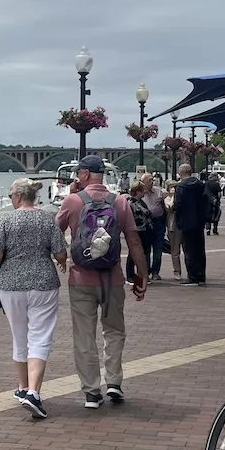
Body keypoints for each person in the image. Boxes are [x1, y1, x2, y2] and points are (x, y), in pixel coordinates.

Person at [55, 155, 148, 408]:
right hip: (112, 278)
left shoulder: (73, 201)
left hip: (81, 278)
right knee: (114, 330)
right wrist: (142, 275)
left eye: (78, 173)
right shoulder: (120, 202)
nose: (76, 177)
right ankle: (114, 383)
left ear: (85, 174)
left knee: (85, 335)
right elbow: (134, 241)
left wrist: (61, 256)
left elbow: (54, 233)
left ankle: (92, 392)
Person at [0, 178, 67, 419]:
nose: (11, 199)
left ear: (20, 196)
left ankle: (23, 388)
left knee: (19, 334)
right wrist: (60, 262)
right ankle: (34, 391)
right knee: (40, 336)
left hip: (10, 285)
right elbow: (60, 252)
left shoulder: (7, 220)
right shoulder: (46, 218)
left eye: (12, 195)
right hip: (43, 283)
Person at [173, 164, 209, 285]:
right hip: (199, 221)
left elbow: (178, 205)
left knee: (189, 250)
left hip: (186, 222)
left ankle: (192, 277)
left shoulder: (181, 187)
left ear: (180, 172)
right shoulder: (200, 184)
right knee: (200, 249)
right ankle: (201, 276)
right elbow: (206, 200)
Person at [137, 173, 167, 279]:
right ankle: (146, 270)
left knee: (158, 248)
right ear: (143, 182)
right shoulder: (139, 192)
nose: (151, 182)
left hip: (158, 222)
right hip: (145, 224)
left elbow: (164, 206)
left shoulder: (158, 191)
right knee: (146, 248)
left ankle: (155, 272)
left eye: (152, 180)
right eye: (149, 180)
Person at [163, 179, 183, 281]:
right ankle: (177, 271)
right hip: (172, 226)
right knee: (175, 251)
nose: (173, 189)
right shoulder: (166, 199)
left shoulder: (182, 198)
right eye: (171, 187)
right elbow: (169, 208)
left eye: (175, 187)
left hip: (182, 225)